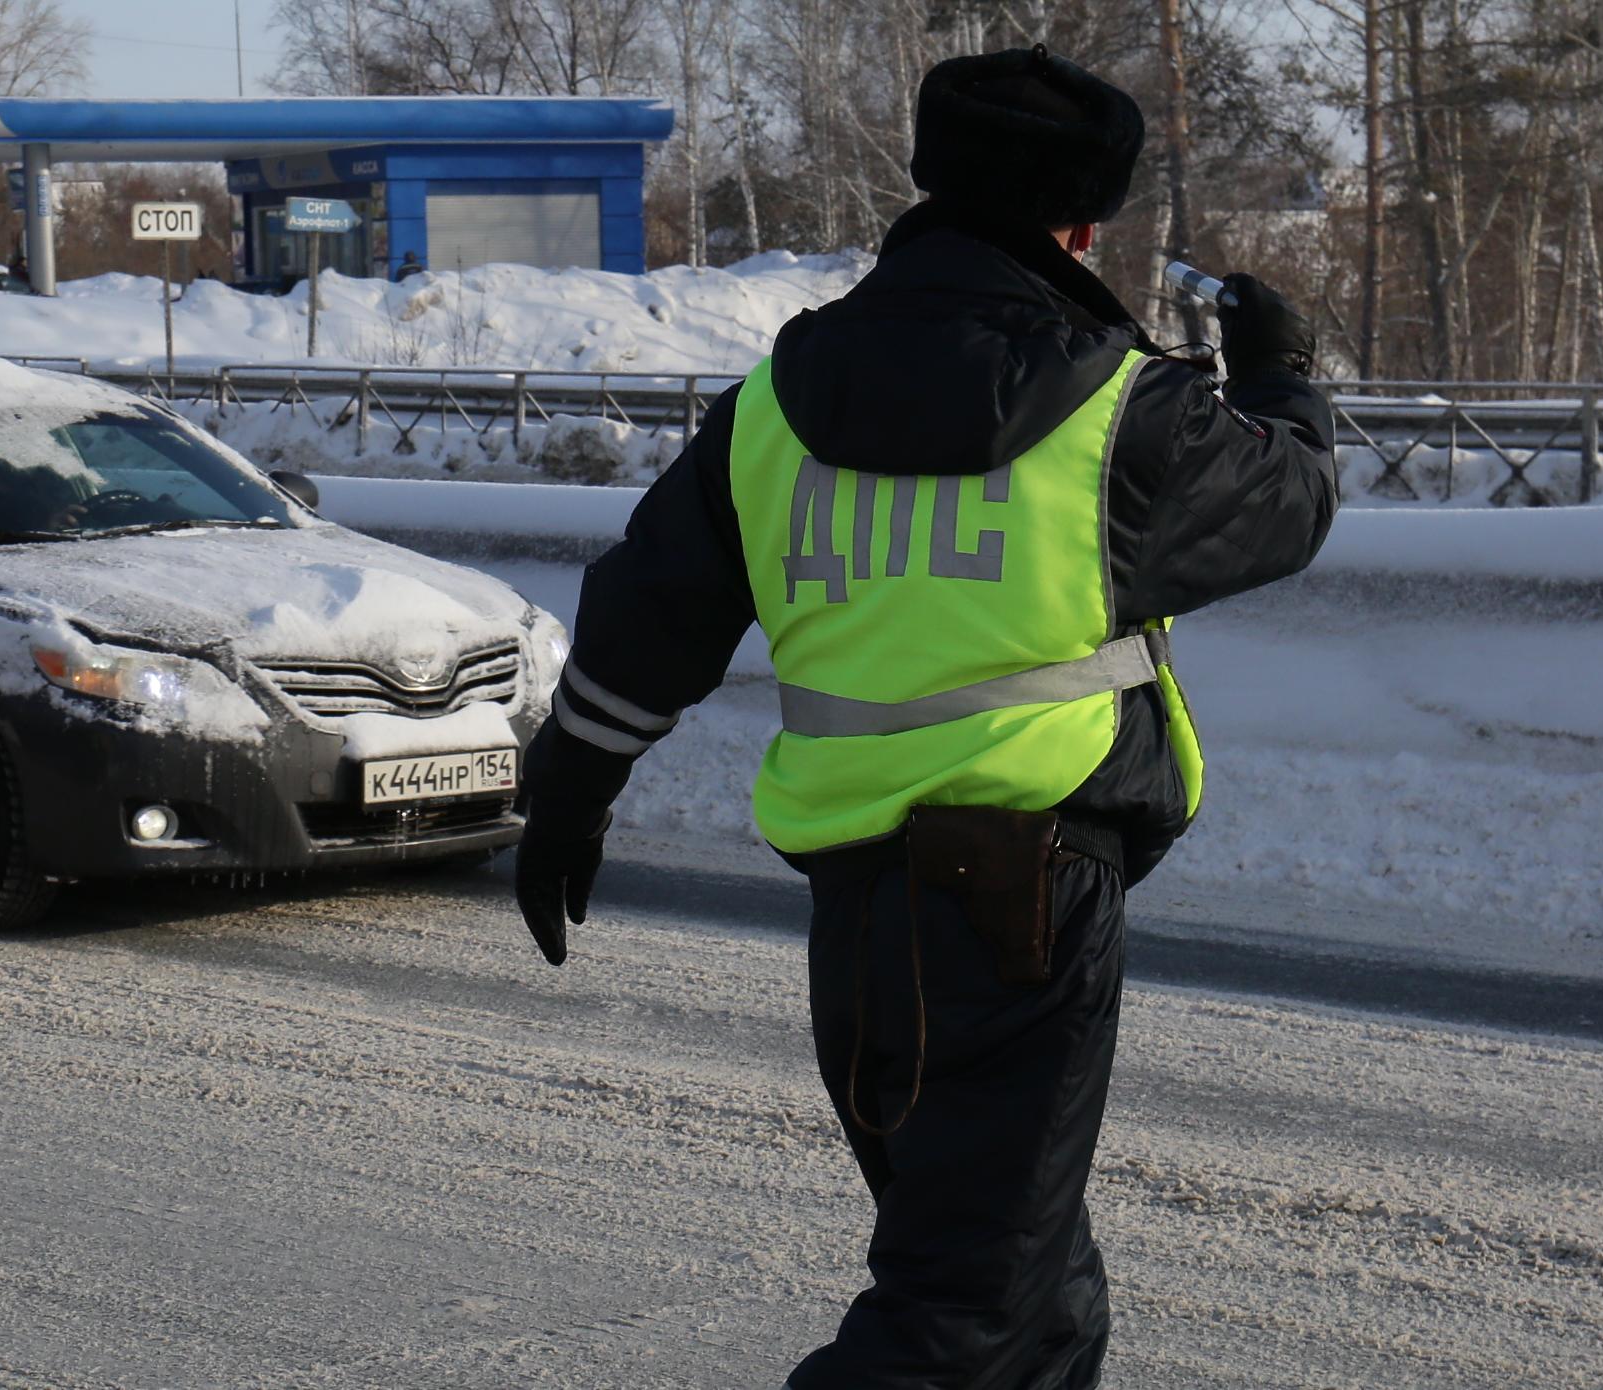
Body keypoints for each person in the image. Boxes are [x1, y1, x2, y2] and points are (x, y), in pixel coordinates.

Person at [505, 45, 1341, 1390]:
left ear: (934, 186)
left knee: (1037, 1293)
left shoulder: (772, 405)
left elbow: (647, 617)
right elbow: (1291, 503)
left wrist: (571, 792)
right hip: (1025, 913)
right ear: (1078, 226)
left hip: (860, 926)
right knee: (961, 1315)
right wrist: (1284, 375)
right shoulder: (1121, 414)